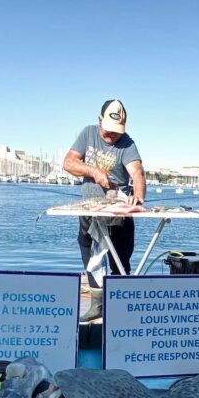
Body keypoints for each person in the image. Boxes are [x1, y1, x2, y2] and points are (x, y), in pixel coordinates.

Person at [63, 99, 146, 322]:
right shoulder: (87, 134)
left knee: (120, 256)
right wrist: (93, 172)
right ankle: (97, 305)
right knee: (89, 253)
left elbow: (137, 172)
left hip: (118, 210)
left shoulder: (127, 143)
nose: (112, 136)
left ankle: (120, 309)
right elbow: (69, 163)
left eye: (116, 133)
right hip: (90, 209)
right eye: (108, 131)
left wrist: (138, 196)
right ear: (99, 121)